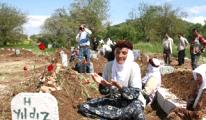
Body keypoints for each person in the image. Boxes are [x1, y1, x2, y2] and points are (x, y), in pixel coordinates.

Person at [79, 40, 145, 120]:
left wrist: (120, 87)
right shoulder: (109, 66)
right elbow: (104, 92)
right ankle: (120, 116)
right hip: (114, 100)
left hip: (131, 102)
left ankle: (115, 116)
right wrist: (104, 84)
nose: (120, 56)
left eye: (124, 53)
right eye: (117, 52)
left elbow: (135, 94)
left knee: (137, 111)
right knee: (84, 107)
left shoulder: (134, 67)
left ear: (129, 54)